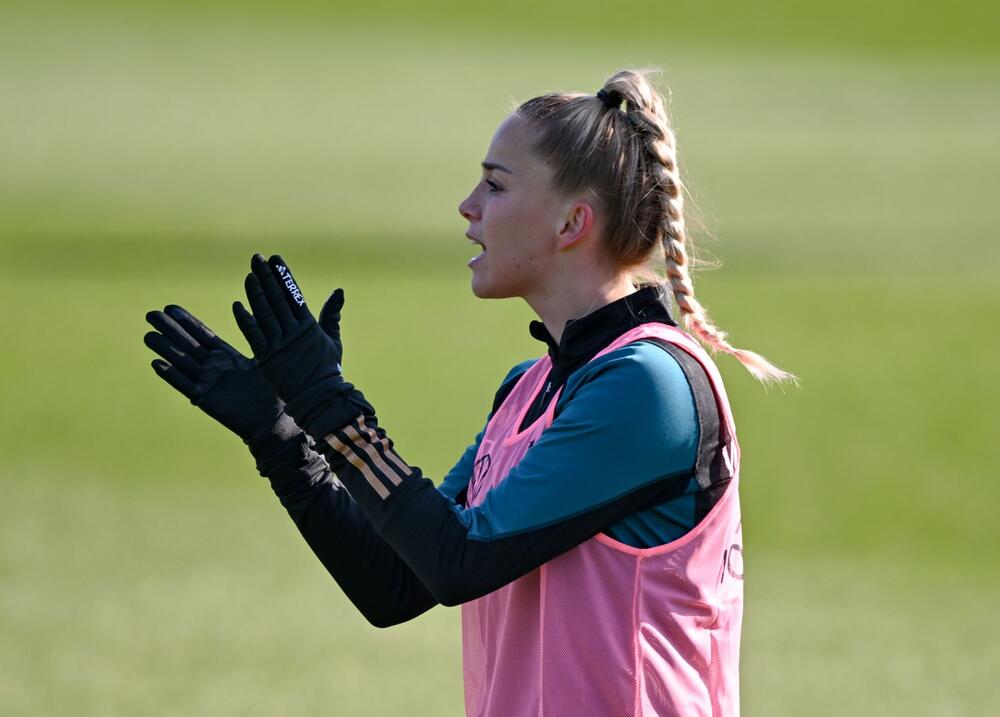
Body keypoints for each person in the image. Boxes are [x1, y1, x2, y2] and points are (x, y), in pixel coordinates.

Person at [144, 69, 794, 716]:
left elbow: (459, 560)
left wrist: (327, 401)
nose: (468, 205)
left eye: (495, 184)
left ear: (572, 222)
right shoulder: (530, 388)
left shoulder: (648, 388)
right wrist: (282, 433)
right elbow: (395, 581)